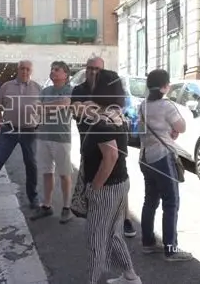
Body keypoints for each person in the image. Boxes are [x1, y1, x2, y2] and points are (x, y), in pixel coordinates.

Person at [81, 69, 141, 284]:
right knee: (114, 234)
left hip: (106, 188)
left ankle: (92, 280)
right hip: (120, 183)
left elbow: (111, 155)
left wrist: (94, 187)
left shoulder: (102, 122)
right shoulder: (117, 115)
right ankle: (130, 276)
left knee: (96, 238)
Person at [71, 57, 136, 238]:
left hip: (109, 142)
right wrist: (96, 108)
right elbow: (76, 110)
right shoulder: (79, 89)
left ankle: (125, 218)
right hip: (89, 142)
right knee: (90, 177)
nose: (93, 72)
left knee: (116, 175)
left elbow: (117, 113)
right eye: (90, 68)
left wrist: (93, 108)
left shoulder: (109, 91)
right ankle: (94, 214)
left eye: (97, 69)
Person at [139, 69, 193, 261]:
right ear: (165, 86)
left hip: (145, 158)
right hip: (162, 157)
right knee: (171, 203)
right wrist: (172, 130)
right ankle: (170, 249)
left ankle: (147, 243)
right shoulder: (167, 105)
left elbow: (142, 132)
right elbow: (182, 127)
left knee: (150, 201)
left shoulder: (142, 106)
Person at [0, 60, 40, 208]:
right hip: (9, 130)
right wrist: (0, 122)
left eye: (27, 69)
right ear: (17, 70)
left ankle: (33, 197)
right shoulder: (6, 86)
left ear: (31, 71)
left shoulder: (38, 88)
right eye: (22, 69)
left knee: (31, 164)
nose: (24, 71)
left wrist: (38, 123)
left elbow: (42, 110)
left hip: (29, 131)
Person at [30, 61, 73, 224]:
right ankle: (46, 206)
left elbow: (65, 104)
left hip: (61, 138)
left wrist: (45, 106)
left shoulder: (70, 90)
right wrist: (51, 106)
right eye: (52, 69)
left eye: (57, 70)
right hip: (43, 136)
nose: (53, 72)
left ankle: (66, 207)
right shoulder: (46, 90)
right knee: (46, 172)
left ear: (65, 75)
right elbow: (36, 108)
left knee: (64, 174)